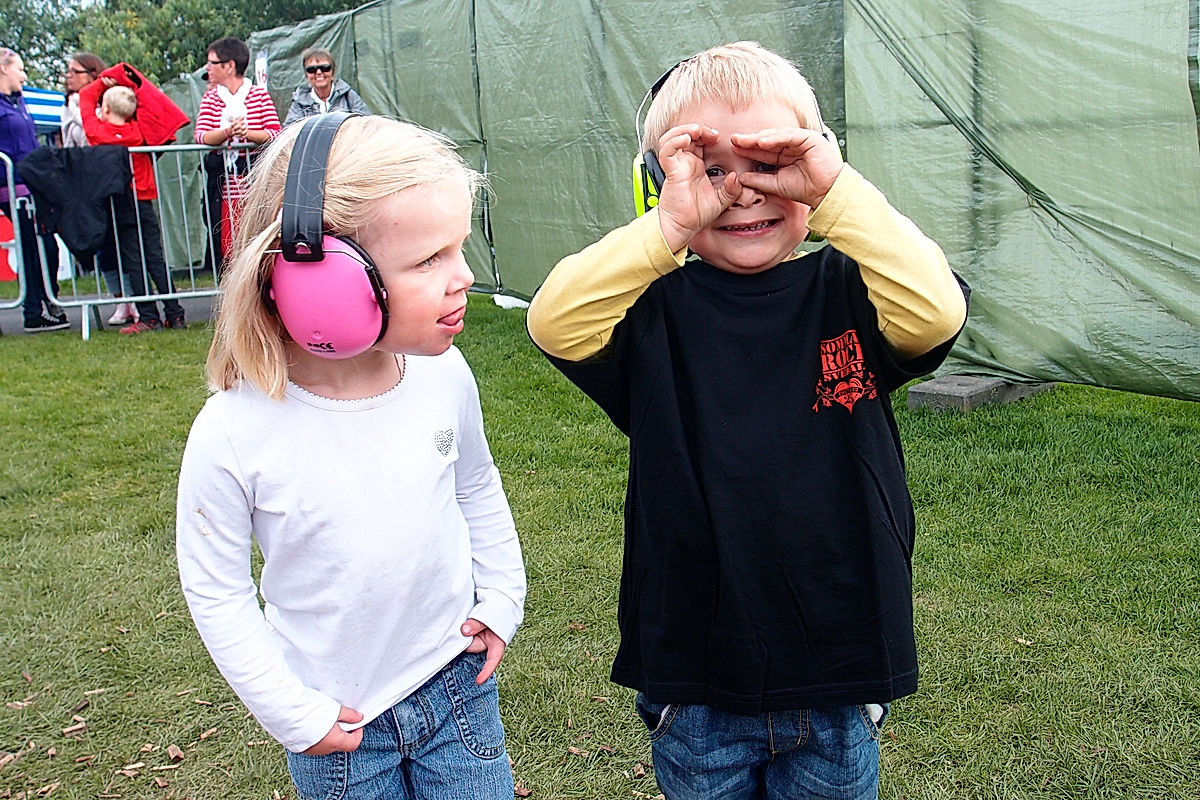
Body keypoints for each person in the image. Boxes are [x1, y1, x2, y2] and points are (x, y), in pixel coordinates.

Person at [526, 41, 969, 800]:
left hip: (840, 663)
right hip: (697, 678)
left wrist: (832, 191)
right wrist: (667, 228)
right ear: (658, 182)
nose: (742, 193)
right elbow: (554, 321)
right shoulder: (654, 312)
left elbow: (936, 312)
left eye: (771, 165)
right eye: (709, 168)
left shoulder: (849, 291)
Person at [176, 114, 526, 800]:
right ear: (317, 281)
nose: (464, 277)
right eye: (429, 259)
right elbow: (217, 592)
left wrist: (504, 593)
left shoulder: (444, 376)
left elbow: (476, 485)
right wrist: (290, 714)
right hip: (337, 724)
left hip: (457, 690)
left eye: (457, 249)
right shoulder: (231, 434)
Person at [79, 72, 188, 333]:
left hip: (120, 203)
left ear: (104, 109)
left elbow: (84, 97)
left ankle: (148, 316)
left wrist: (104, 80)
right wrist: (130, 83)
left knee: (132, 259)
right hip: (144, 201)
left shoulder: (98, 131)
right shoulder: (140, 132)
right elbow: (153, 109)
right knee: (155, 256)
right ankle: (175, 313)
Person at [61, 51, 136, 326]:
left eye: (75, 71)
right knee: (101, 242)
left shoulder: (106, 104)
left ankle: (133, 299)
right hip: (84, 181)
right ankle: (118, 300)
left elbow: (95, 133)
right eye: (67, 71)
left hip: (109, 180)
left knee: (123, 242)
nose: (69, 76)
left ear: (92, 76)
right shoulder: (67, 105)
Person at [194, 36, 281, 267]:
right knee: (227, 241)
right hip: (223, 183)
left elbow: (274, 132)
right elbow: (201, 135)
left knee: (257, 235)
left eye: (212, 63)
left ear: (229, 65)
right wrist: (226, 132)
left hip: (255, 181)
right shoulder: (211, 98)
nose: (208, 68)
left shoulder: (259, 95)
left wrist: (248, 133)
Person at [0, 46, 68, 332]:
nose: (24, 76)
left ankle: (46, 300)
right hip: (10, 186)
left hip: (31, 184)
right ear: (4, 68)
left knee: (45, 246)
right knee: (31, 247)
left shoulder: (19, 102)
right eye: (19, 69)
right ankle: (33, 311)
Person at [283, 47, 371, 126]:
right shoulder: (299, 102)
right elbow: (289, 130)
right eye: (311, 69)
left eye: (325, 68)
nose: (318, 72)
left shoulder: (348, 95)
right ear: (306, 76)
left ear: (333, 72)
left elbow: (366, 123)